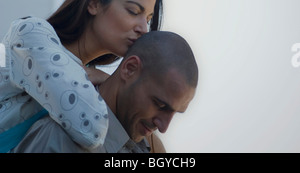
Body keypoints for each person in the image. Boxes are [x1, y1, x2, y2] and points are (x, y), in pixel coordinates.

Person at [0, 0, 163, 153]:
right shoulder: (30, 33)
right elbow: (90, 130)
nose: (143, 28)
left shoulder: (87, 86)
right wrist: (104, 81)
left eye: (148, 19)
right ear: (94, 2)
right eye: (133, 11)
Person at [12, 31, 198, 153]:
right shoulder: (59, 139)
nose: (164, 126)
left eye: (175, 112)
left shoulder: (154, 149)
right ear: (129, 69)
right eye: (160, 104)